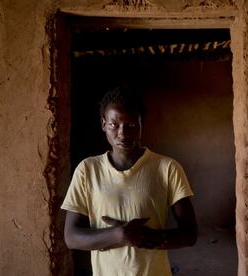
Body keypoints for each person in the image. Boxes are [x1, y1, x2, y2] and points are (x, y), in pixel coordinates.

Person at [61, 86, 197, 276]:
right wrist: (119, 235)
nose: (123, 134)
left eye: (131, 125)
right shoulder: (87, 170)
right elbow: (71, 237)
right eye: (114, 125)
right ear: (103, 124)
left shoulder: (167, 168)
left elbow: (189, 234)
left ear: (142, 124)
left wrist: (144, 237)